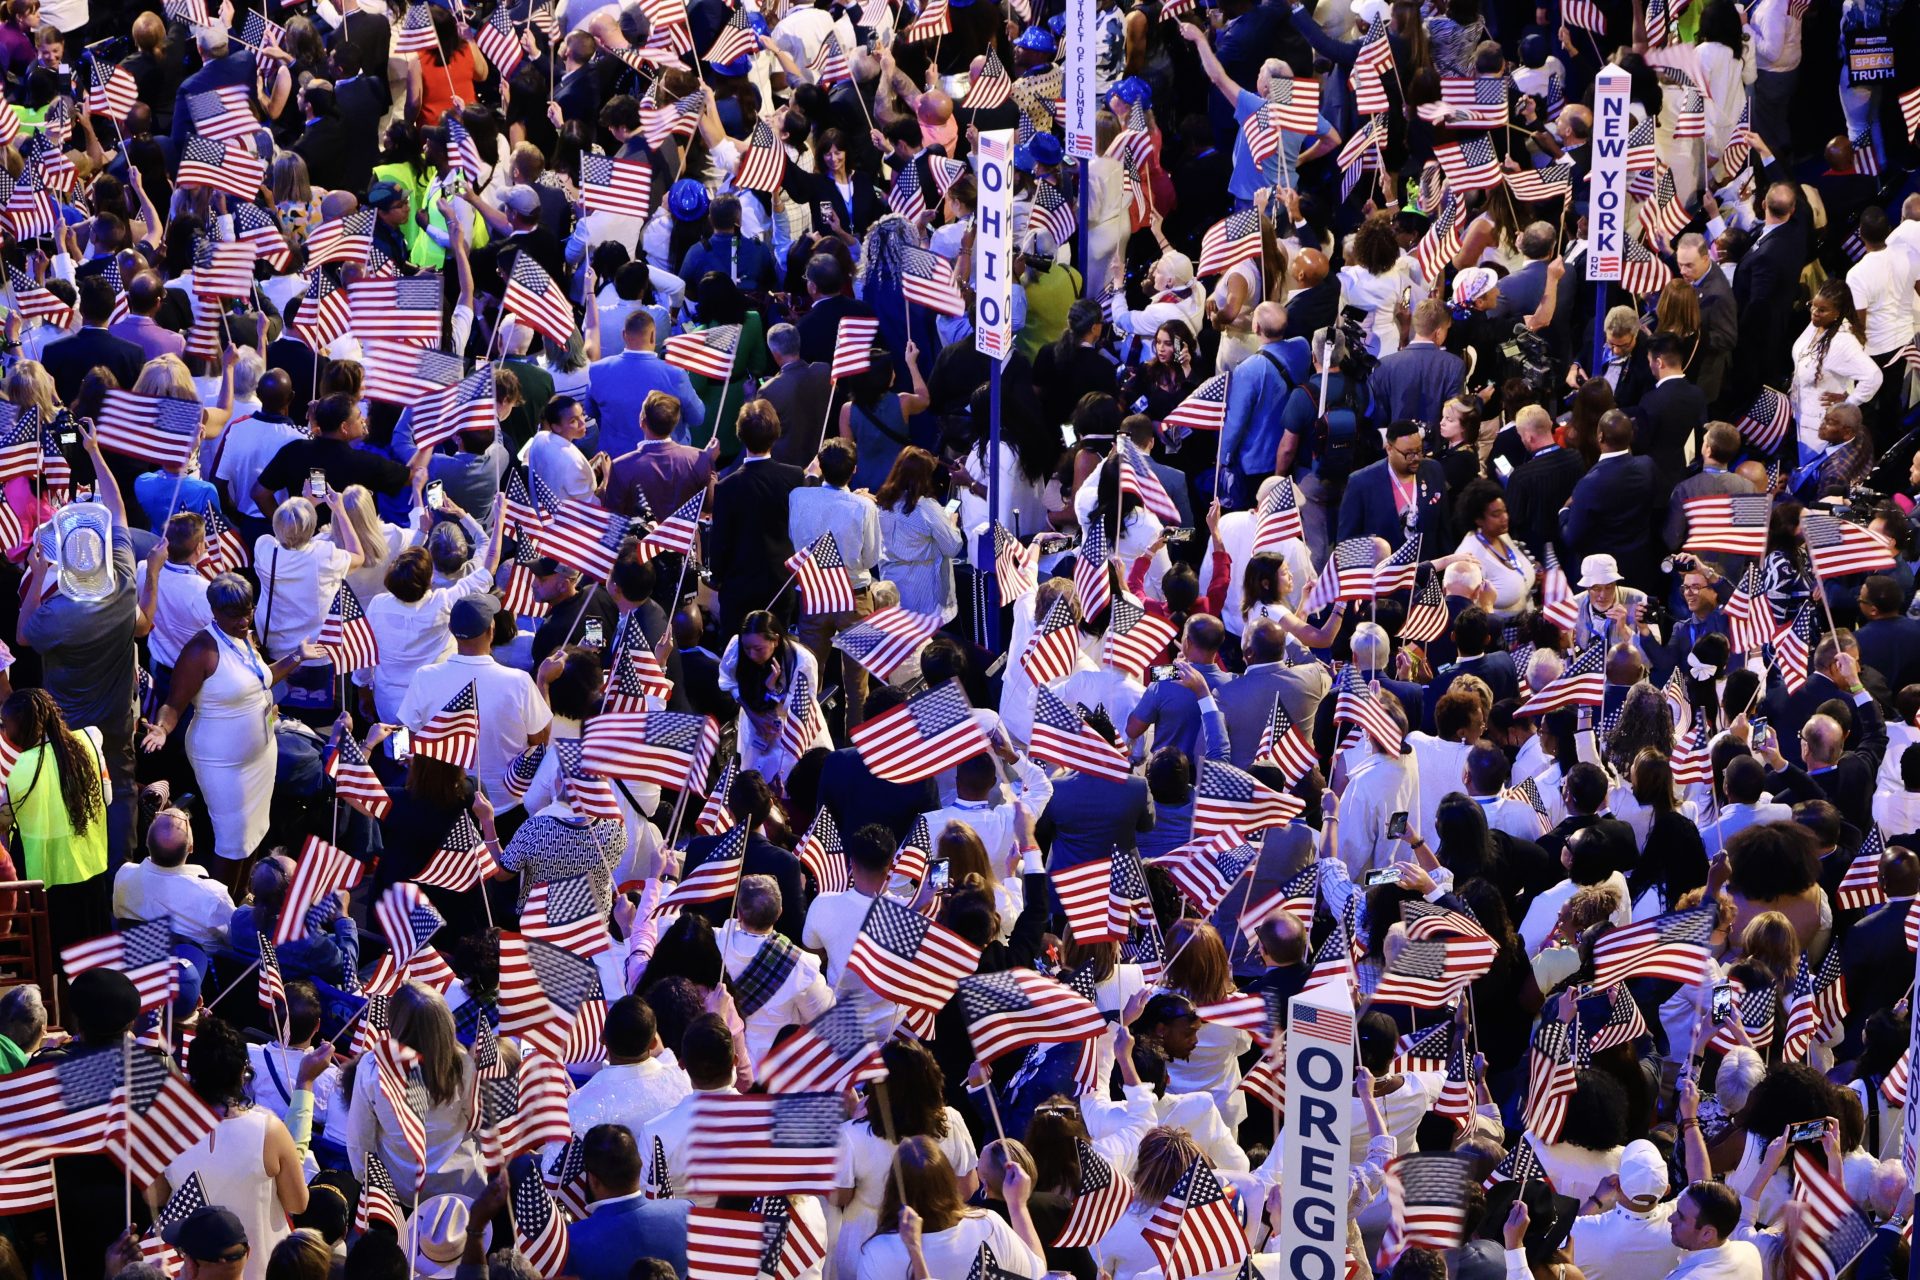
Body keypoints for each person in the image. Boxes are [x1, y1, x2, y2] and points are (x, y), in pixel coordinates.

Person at [142, 575, 322, 873]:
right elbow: (174, 704)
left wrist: (296, 657)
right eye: (234, 615)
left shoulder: (245, 637)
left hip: (262, 755)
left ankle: (243, 897)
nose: (243, 621)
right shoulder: (201, 650)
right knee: (231, 841)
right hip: (222, 762)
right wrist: (162, 728)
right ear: (214, 612)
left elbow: (260, 678)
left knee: (254, 833)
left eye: (248, 611)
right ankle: (225, 905)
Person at [160, 1018, 313, 1280]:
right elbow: (298, 1204)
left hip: (200, 1272)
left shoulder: (166, 1131)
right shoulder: (270, 1129)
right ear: (243, 1072)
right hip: (265, 1270)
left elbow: (155, 1198)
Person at [875, 446, 965, 622]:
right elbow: (953, 547)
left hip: (892, 589)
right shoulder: (926, 508)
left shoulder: (881, 502)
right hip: (924, 596)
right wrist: (951, 524)